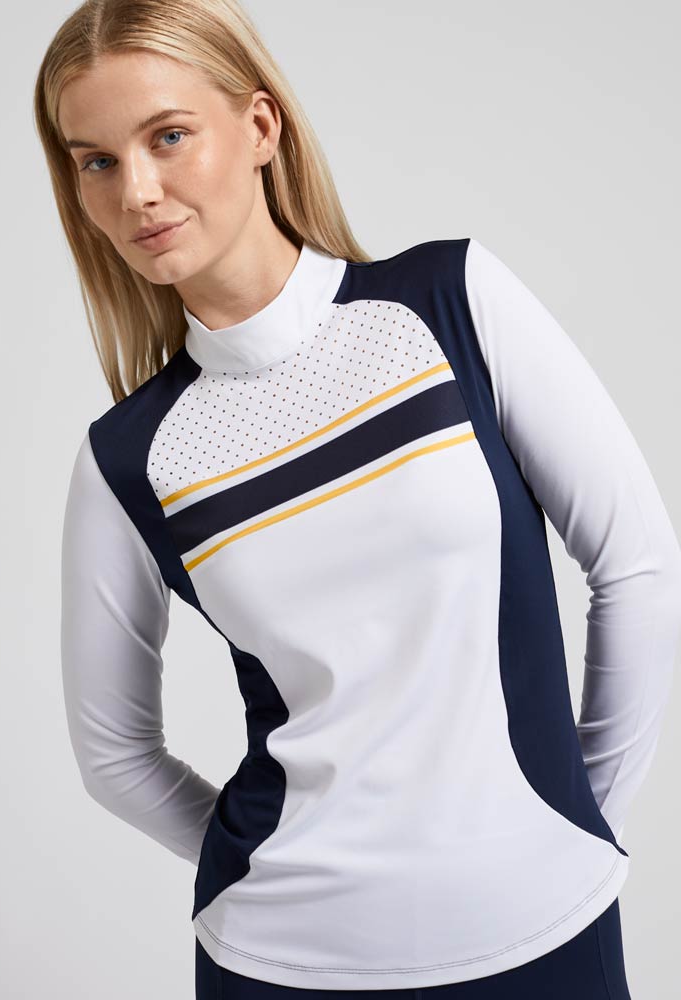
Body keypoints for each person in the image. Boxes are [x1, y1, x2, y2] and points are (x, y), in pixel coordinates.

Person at [36, 1, 681, 996]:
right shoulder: (130, 458)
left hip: (543, 925)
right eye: (97, 161)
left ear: (260, 126)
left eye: (167, 137)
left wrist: (574, 821)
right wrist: (275, 869)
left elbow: (636, 565)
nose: (138, 191)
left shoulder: (452, 306)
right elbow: (113, 754)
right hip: (277, 962)